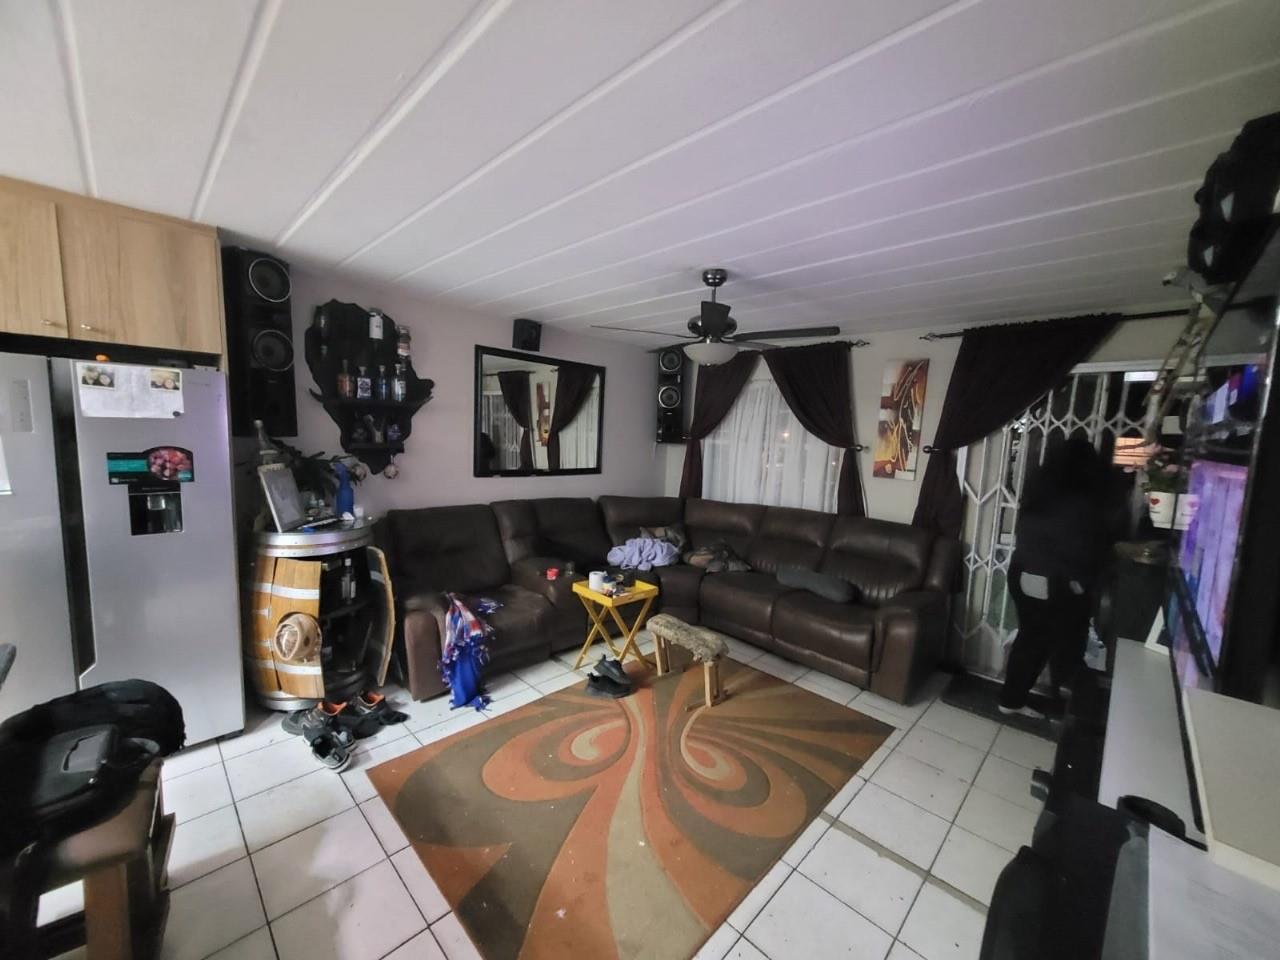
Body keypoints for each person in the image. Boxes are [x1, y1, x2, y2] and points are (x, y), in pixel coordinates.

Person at [999, 436, 1111, 719]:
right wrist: (1081, 581)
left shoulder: (1039, 491)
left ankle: (1012, 699)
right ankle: (1064, 706)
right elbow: (1080, 547)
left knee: (1031, 638)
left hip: (1023, 573)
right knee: (1061, 642)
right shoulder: (1081, 500)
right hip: (1052, 579)